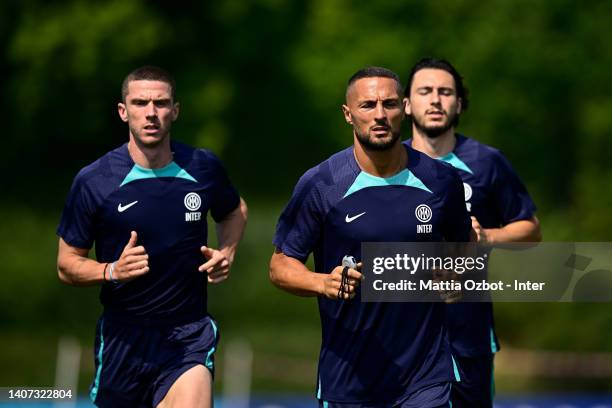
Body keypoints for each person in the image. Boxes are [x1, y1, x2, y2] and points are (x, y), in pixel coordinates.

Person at [270, 67, 471, 407]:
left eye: (389, 104)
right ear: (348, 114)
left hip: (425, 376)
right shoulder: (321, 184)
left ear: (404, 108)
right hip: (349, 379)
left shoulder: (441, 180)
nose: (380, 114)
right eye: (367, 106)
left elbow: (464, 247)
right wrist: (322, 283)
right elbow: (280, 265)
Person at [56, 66, 248, 408]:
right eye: (140, 102)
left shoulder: (203, 167)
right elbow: (66, 264)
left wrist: (228, 251)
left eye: (160, 103)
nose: (151, 113)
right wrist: (111, 270)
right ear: (123, 111)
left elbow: (234, 211)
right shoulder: (94, 181)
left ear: (175, 110)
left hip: (188, 335)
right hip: (123, 340)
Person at [404, 57, 541, 407]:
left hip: (469, 334)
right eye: (425, 91)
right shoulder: (389, 163)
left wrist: (486, 238)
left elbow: (530, 229)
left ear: (459, 103)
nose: (435, 100)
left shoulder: (487, 161)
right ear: (406, 104)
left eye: (445, 92)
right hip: (402, 335)